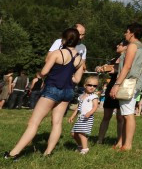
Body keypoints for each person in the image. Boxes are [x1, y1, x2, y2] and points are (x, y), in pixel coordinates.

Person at [4, 27, 85, 159]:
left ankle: (13, 153)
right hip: (68, 92)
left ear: (64, 39)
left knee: (34, 123)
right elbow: (77, 79)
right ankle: (48, 153)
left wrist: (43, 74)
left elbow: (44, 72)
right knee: (57, 123)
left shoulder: (57, 53)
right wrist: (67, 76)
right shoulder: (80, 59)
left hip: (52, 89)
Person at [109, 23, 142, 151]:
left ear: (132, 33)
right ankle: (121, 142)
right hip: (136, 82)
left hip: (128, 83)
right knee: (125, 112)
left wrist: (117, 84)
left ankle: (128, 145)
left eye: (126, 31)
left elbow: (127, 66)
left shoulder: (132, 46)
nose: (125, 34)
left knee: (128, 114)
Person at [95, 40, 128, 144]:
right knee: (106, 116)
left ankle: (119, 141)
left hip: (122, 87)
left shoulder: (127, 58)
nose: (117, 45)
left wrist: (113, 69)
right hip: (111, 87)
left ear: (126, 47)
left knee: (120, 117)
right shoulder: (114, 59)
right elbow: (104, 67)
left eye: (120, 44)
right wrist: (99, 68)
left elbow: (124, 69)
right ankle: (100, 140)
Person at [69, 75, 100, 154]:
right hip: (80, 118)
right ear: (85, 85)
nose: (92, 87)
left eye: (95, 86)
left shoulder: (94, 96)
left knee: (81, 133)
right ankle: (80, 145)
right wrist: (72, 116)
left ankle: (85, 149)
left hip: (87, 118)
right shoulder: (81, 96)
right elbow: (78, 108)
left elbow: (95, 106)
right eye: (90, 85)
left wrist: (89, 113)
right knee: (73, 133)